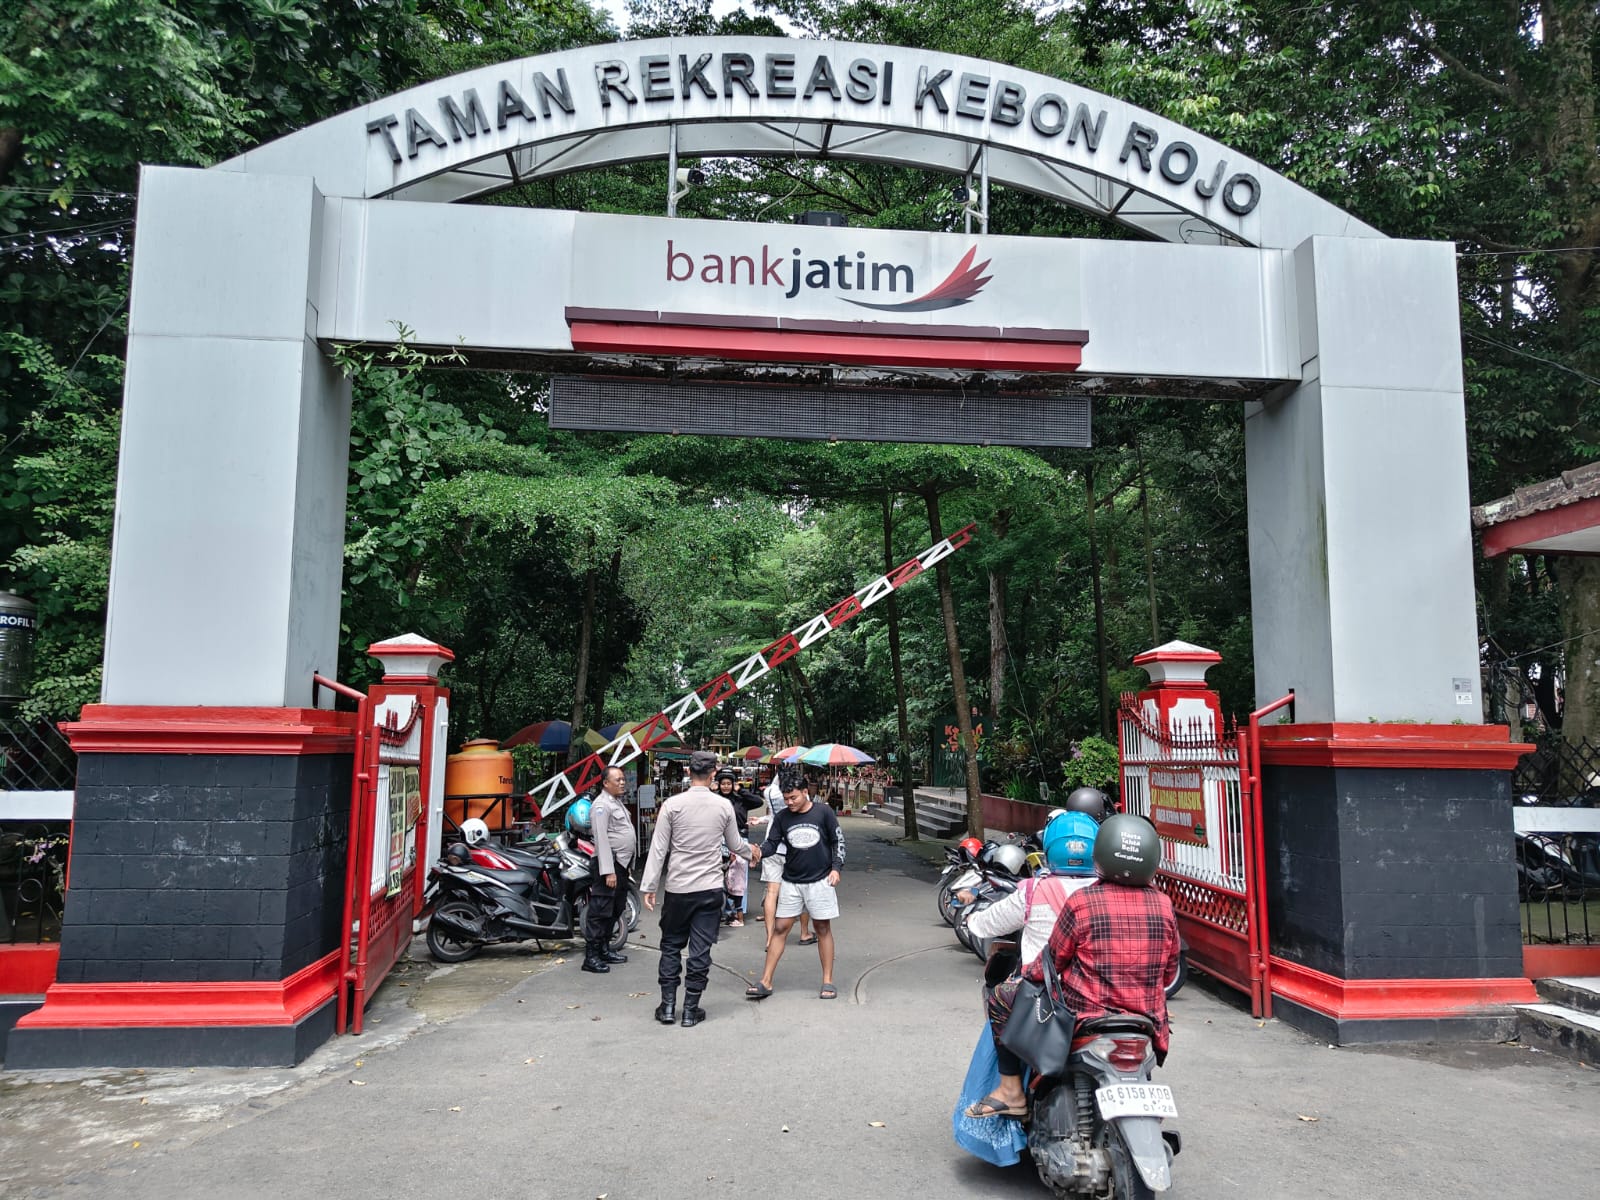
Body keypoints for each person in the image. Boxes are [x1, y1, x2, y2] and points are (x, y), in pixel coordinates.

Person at [965, 813, 1179, 1121]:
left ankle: (1011, 1092)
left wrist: (1028, 977)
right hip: (1146, 1017)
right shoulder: (1163, 904)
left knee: (1001, 997)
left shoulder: (1081, 901)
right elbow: (1169, 972)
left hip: (1087, 1013)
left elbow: (1052, 961)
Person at [639, 749, 758, 1028]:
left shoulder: (672, 805)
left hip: (678, 888)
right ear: (713, 773)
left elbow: (658, 849)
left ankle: (668, 1006)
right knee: (700, 950)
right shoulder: (723, 806)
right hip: (709, 888)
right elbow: (734, 844)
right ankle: (690, 1011)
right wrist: (752, 852)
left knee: (671, 946)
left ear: (688, 772)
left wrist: (649, 885)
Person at [746, 764, 845, 1001]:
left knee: (822, 928)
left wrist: (836, 868)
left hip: (820, 880)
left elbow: (837, 841)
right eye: (786, 798)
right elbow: (772, 844)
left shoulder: (823, 812)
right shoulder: (782, 817)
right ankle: (765, 981)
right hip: (791, 881)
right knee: (780, 928)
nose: (789, 802)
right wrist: (759, 852)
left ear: (805, 792)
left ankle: (828, 981)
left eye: (793, 798)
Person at [958, 810, 1100, 968]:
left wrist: (972, 920)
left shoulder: (1034, 891)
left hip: (1041, 980)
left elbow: (991, 921)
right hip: (1094, 981)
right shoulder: (1111, 891)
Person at [581, 765, 637, 975]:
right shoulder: (601, 805)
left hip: (620, 864)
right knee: (600, 910)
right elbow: (602, 839)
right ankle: (591, 957)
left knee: (616, 908)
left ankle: (604, 949)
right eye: (617, 780)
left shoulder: (615, 802)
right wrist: (608, 871)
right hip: (609, 865)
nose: (622, 783)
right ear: (605, 783)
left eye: (623, 779)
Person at [756, 771, 812, 947]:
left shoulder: (770, 792)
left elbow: (772, 815)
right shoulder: (800, 794)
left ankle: (769, 938)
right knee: (803, 890)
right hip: (795, 849)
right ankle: (804, 933)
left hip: (772, 846)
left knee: (771, 893)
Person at [715, 767, 763, 926]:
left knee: (739, 877)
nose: (726, 786)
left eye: (729, 783)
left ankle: (739, 911)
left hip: (740, 839)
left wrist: (741, 790)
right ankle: (721, 910)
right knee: (720, 875)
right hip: (720, 840)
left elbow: (758, 802)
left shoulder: (740, 799)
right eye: (723, 783)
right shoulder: (715, 799)